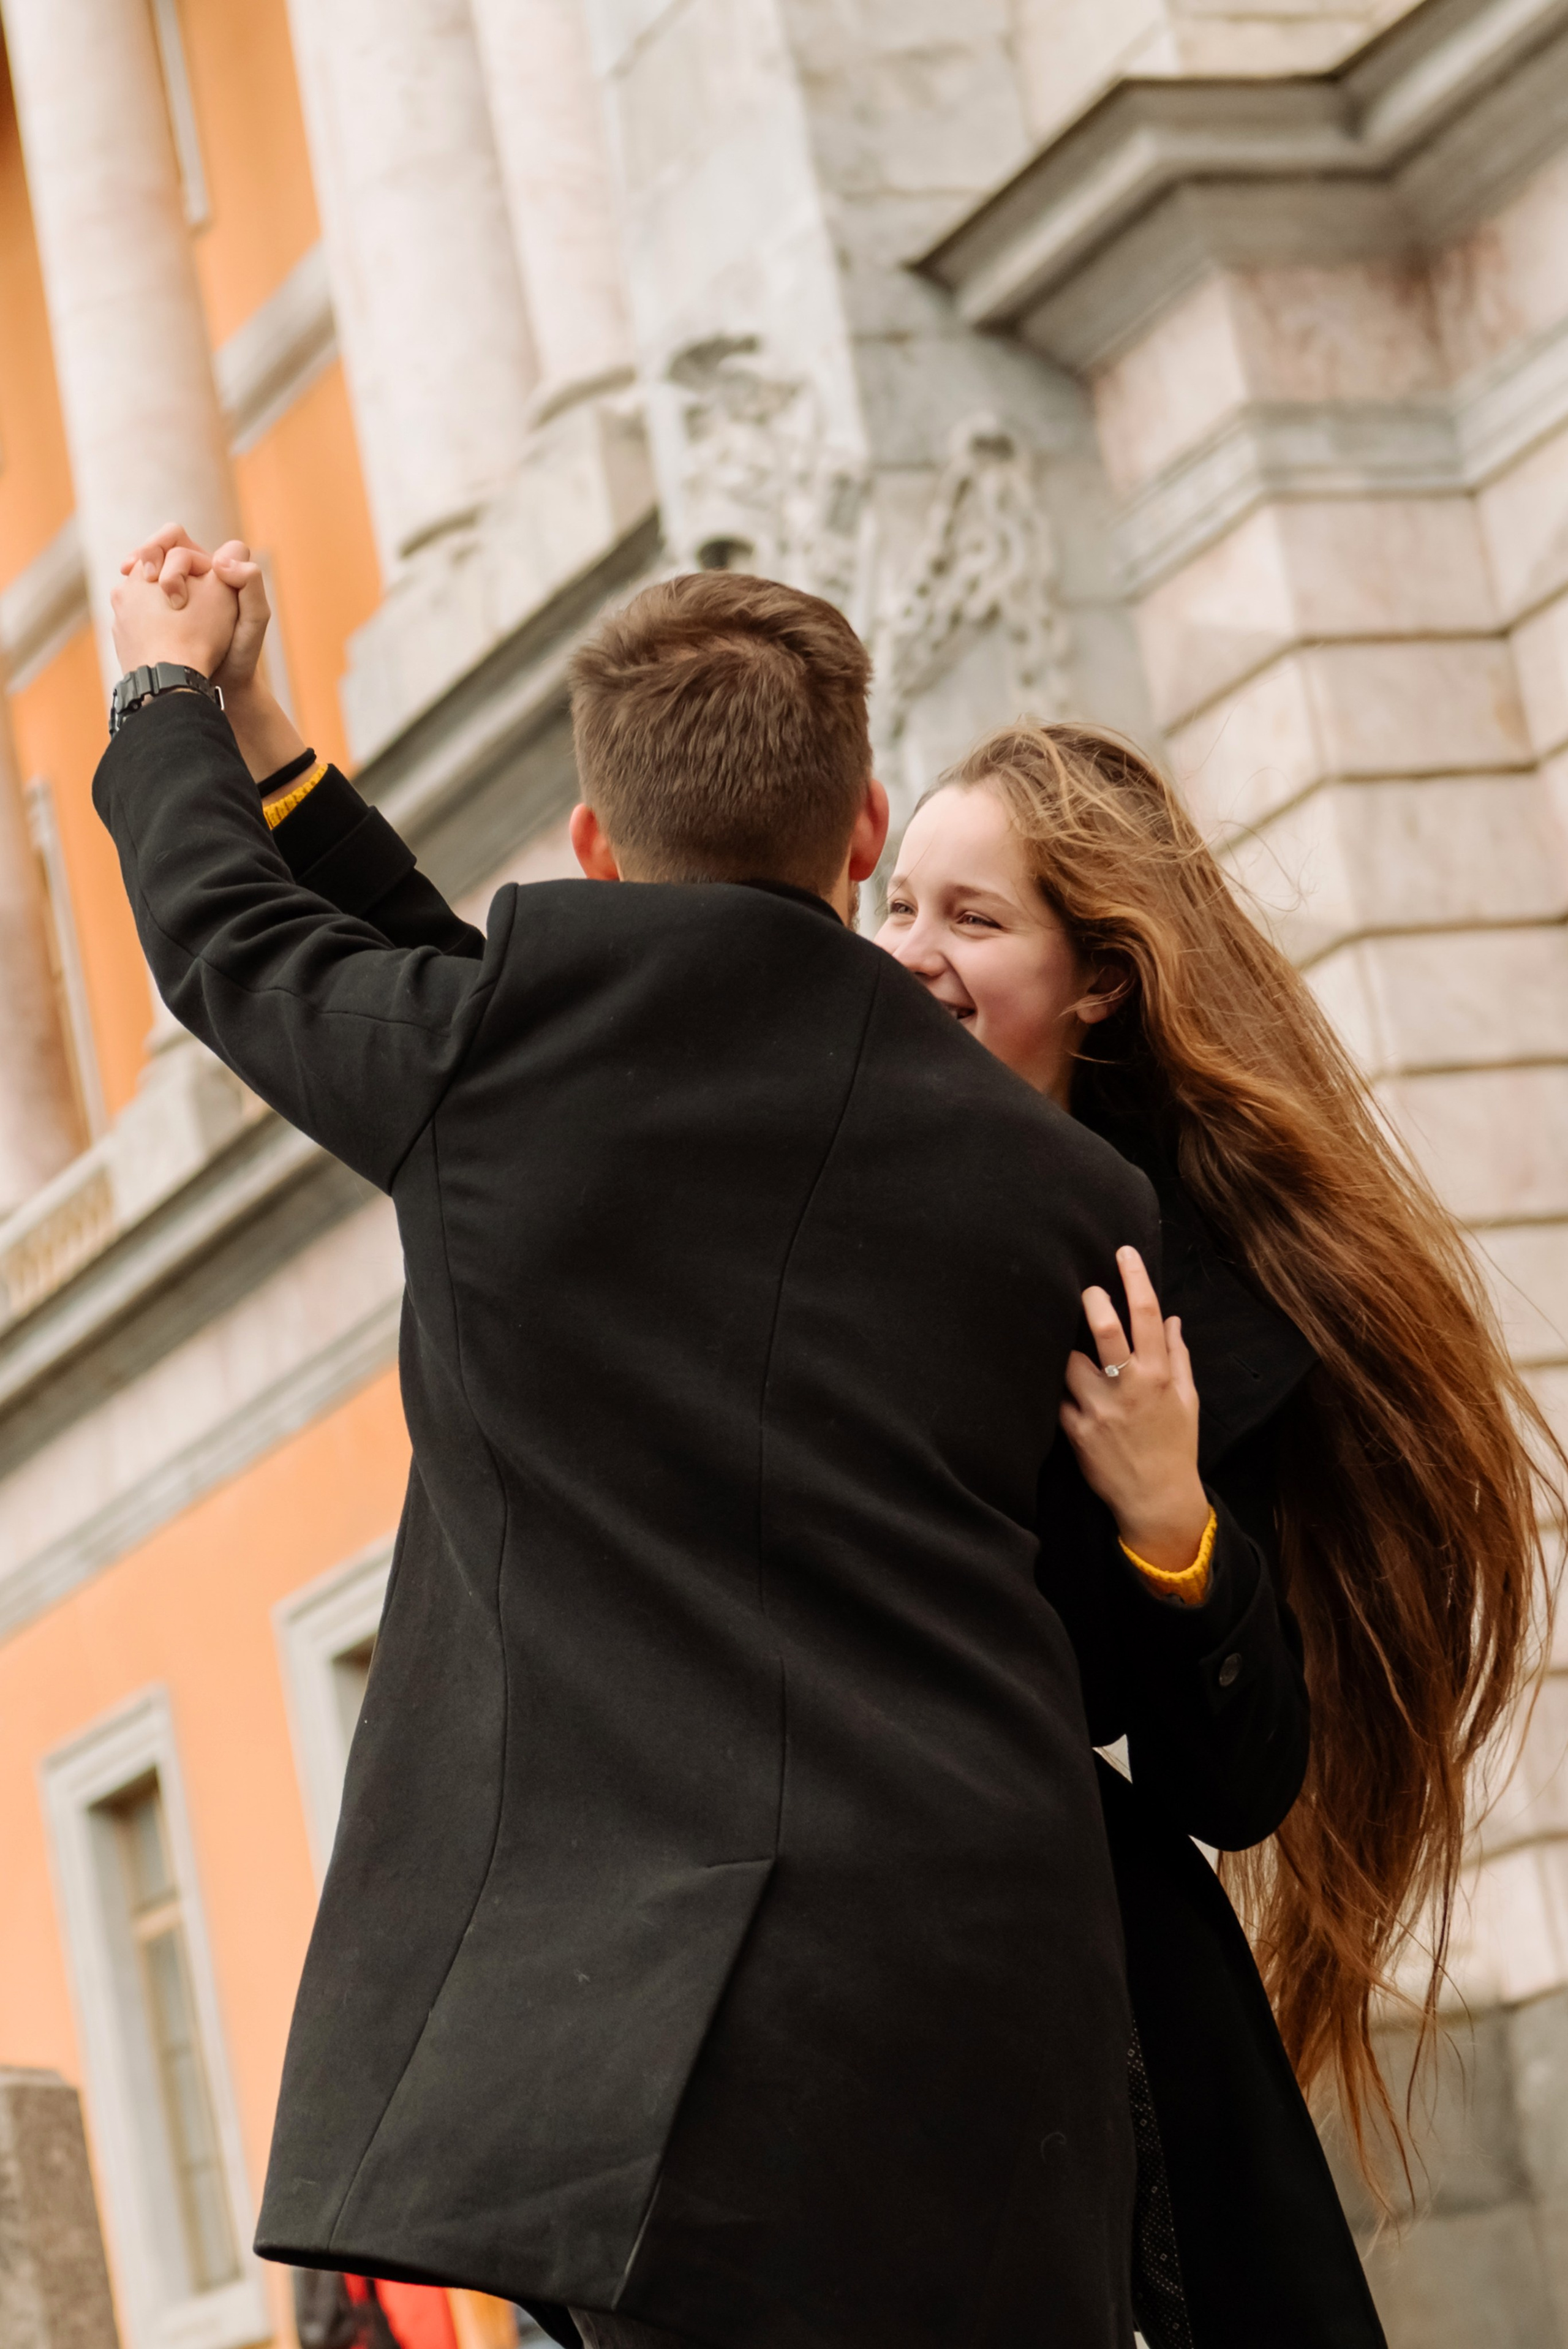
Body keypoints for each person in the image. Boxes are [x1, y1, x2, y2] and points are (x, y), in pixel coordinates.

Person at [96, 535, 1170, 2349]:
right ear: (862, 833)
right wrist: (275, 742)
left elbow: (235, 937)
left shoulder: (492, 1086)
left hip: (655, 2042)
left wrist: (165, 695)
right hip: (990, 1995)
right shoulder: (1078, 1197)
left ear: (594, 845)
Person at [875, 725, 1561, 2348]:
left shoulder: (1194, 1299)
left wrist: (1173, 1524)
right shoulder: (825, 1194)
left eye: (974, 919)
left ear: (1099, 978)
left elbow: (1235, 1779)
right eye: (900, 904)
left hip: (1085, 1972)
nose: (915, 954)